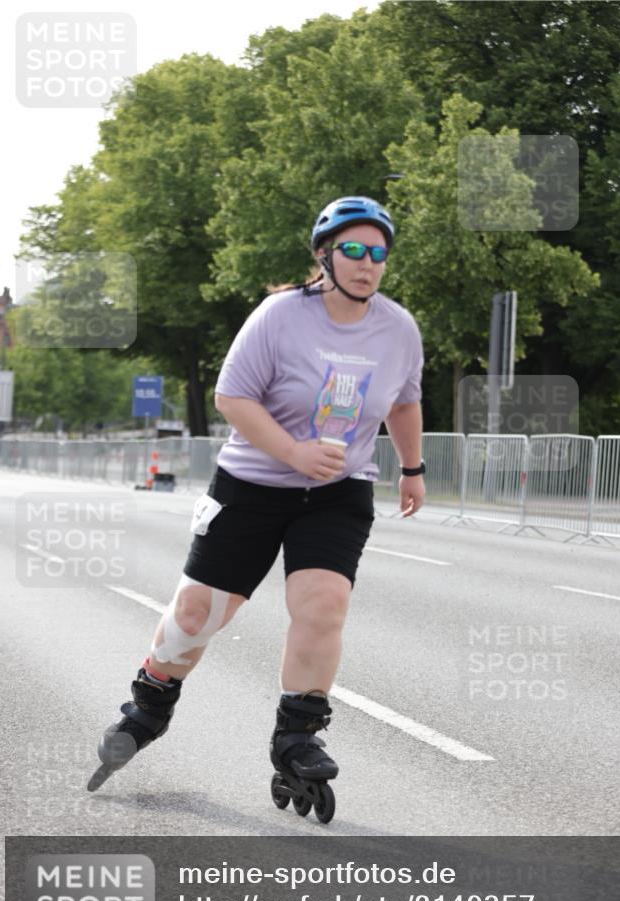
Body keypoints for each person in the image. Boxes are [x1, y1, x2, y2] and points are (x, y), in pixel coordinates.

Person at [87, 195, 426, 821]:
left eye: (379, 253)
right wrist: (293, 452)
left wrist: (412, 468)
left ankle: (297, 735)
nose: (367, 263)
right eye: (354, 249)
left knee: (323, 605)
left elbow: (404, 402)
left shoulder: (398, 328)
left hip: (338, 491)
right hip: (252, 483)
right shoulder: (278, 317)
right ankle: (150, 704)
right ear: (324, 255)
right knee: (200, 613)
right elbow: (232, 397)